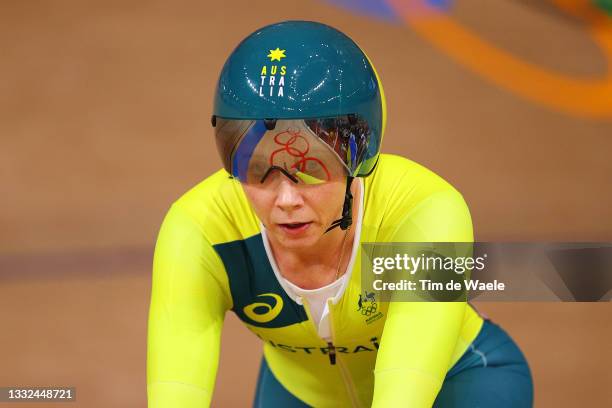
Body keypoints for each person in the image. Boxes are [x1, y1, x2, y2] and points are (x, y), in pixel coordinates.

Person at [147, 21, 533, 407]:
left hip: (461, 385)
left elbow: (405, 391)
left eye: (310, 169)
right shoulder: (199, 230)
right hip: (301, 394)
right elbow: (174, 392)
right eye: (258, 170)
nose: (284, 199)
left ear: (356, 159)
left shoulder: (426, 213)